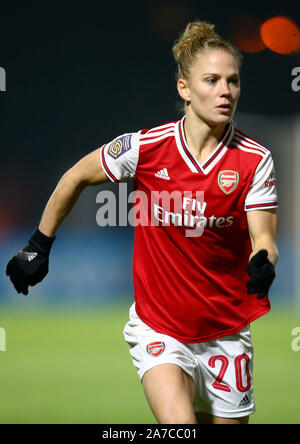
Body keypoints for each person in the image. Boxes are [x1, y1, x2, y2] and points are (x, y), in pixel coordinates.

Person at [6, 20, 278, 425]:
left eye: (233, 81)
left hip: (226, 333)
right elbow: (75, 176)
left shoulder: (254, 159)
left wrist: (263, 261)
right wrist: (39, 244)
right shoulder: (147, 148)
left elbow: (264, 237)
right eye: (212, 80)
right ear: (184, 89)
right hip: (160, 330)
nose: (226, 91)